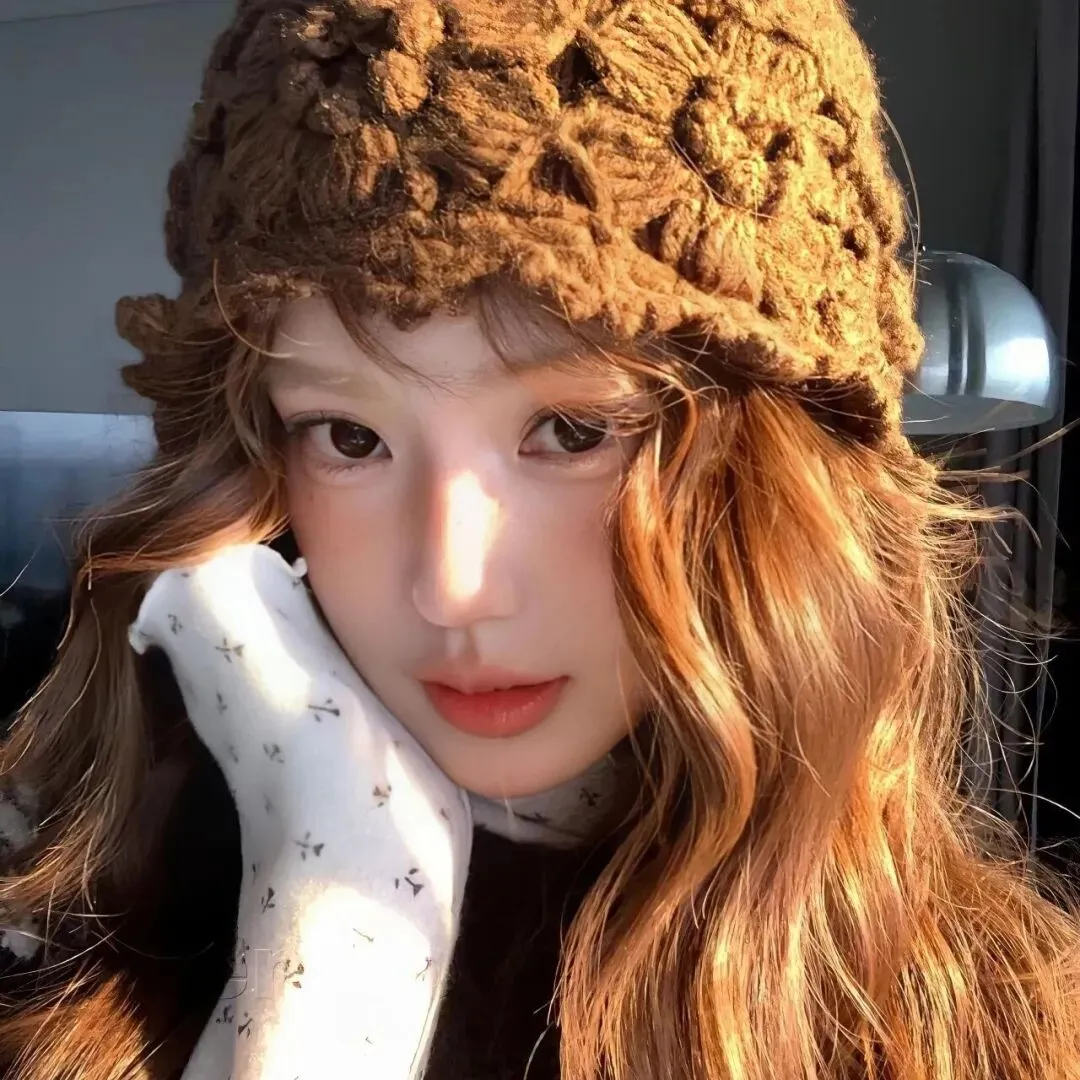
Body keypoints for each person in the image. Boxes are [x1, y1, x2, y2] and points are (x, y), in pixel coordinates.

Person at [0, 0, 1078, 1077]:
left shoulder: (1003, 1029)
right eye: (348, 437)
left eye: (573, 431)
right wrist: (338, 920)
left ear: (779, 473)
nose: (453, 587)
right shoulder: (61, 942)